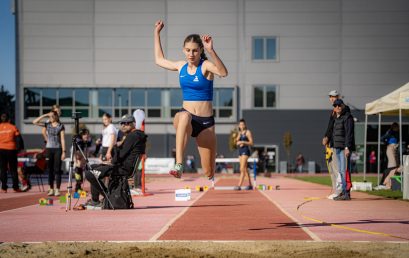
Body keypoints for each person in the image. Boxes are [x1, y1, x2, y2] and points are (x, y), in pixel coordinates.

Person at [154, 20, 228, 179]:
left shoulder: (206, 66)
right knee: (184, 116)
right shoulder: (181, 66)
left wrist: (212, 51)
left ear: (201, 50)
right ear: (183, 50)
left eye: (195, 50)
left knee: (209, 172)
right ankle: (179, 164)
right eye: (188, 50)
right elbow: (159, 60)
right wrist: (157, 33)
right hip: (186, 117)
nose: (191, 54)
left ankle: (209, 173)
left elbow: (223, 73)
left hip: (205, 123)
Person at [84, 115, 147, 207]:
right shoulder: (136, 136)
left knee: (90, 173)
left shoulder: (132, 136)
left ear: (133, 124)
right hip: (122, 166)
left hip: (122, 168)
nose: (123, 125)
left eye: (127, 123)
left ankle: (107, 196)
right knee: (91, 167)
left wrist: (116, 147)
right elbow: (123, 155)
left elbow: (120, 155)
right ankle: (95, 200)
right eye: (122, 123)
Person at [322, 90, 350, 199]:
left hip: (340, 144)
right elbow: (330, 126)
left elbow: (345, 128)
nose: (332, 99)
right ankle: (336, 190)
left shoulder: (344, 110)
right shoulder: (333, 111)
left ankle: (341, 191)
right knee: (333, 168)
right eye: (331, 97)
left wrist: (346, 145)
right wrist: (326, 137)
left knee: (340, 169)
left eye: (334, 97)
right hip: (333, 142)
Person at [33, 111, 66, 196]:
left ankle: (57, 189)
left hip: (58, 149)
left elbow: (62, 139)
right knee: (50, 170)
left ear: (55, 117)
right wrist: (44, 115)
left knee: (57, 170)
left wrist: (64, 152)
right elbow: (34, 122)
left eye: (51, 116)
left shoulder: (61, 126)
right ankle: (51, 188)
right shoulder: (47, 125)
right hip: (49, 149)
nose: (49, 118)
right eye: (49, 116)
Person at [331, 99, 355, 201]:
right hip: (337, 147)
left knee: (344, 170)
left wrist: (347, 147)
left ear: (342, 105)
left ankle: (346, 193)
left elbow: (349, 133)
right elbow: (335, 133)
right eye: (335, 106)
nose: (337, 107)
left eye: (339, 105)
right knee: (340, 172)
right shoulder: (336, 118)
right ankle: (343, 192)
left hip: (344, 148)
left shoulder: (347, 117)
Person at [0, 113, 23, 193]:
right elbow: (19, 139)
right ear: (9, 119)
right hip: (11, 150)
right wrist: (19, 149)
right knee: (13, 169)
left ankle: (4, 188)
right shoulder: (13, 127)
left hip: (1, 150)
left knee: (3, 169)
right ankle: (15, 187)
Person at [375, 122, 400, 190]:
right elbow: (382, 138)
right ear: (393, 127)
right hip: (391, 148)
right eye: (396, 127)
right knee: (392, 166)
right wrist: (386, 143)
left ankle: (389, 182)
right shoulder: (390, 132)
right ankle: (383, 183)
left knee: (396, 166)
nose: (398, 128)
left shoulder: (397, 133)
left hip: (395, 148)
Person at [234, 119, 253, 190]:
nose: (242, 126)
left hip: (245, 151)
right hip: (240, 151)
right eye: (240, 125)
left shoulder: (248, 132)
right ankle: (250, 185)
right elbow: (236, 142)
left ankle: (239, 185)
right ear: (239, 125)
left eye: (243, 124)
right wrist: (236, 141)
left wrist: (243, 142)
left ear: (245, 125)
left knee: (241, 168)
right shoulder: (239, 133)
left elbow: (251, 142)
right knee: (244, 168)